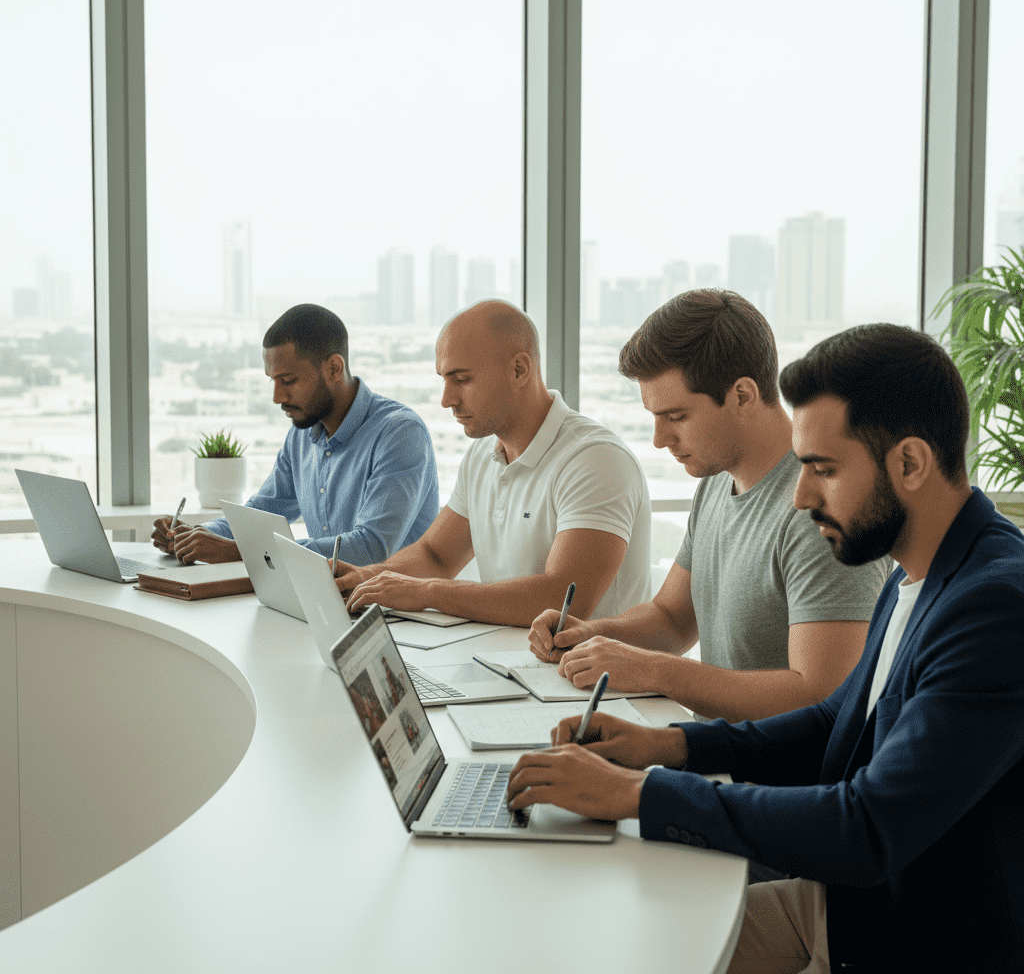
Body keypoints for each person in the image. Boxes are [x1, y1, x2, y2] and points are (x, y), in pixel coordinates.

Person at [507, 323, 1024, 972]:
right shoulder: (914, 571)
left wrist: (638, 795)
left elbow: (866, 828)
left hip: (907, 936)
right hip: (852, 903)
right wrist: (669, 748)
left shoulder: (995, 606)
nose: (803, 496)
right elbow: (837, 720)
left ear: (911, 464)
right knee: (609, 937)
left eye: (824, 470)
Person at [528, 290, 888, 722]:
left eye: (676, 417)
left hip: (772, 784)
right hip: (715, 759)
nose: (660, 439)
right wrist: (589, 634)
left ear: (742, 395)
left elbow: (822, 696)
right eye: (654, 417)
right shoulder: (717, 483)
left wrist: (655, 672)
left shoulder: (821, 513)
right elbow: (672, 620)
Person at [334, 299, 651, 627]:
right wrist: (364, 577)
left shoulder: (594, 459)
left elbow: (563, 599)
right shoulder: (481, 455)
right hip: (506, 662)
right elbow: (436, 556)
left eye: (462, 379)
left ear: (519, 370)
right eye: (444, 379)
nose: (447, 400)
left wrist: (428, 592)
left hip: (592, 676)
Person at [152, 304, 439, 565]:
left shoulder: (399, 434)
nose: (277, 397)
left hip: (396, 614)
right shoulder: (302, 435)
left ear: (334, 368)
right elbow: (262, 511)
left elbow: (371, 548)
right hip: (326, 600)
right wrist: (195, 536)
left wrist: (242, 551)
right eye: (272, 381)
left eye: (288, 381)